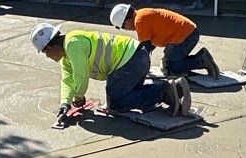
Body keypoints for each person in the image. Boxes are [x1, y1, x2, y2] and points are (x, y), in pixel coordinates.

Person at [30, 21, 191, 123]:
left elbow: (80, 77)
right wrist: (65, 102)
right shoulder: (66, 55)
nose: (48, 57)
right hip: (138, 56)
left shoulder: (73, 45)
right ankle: (172, 88)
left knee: (116, 104)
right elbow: (67, 80)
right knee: (129, 93)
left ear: (49, 47)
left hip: (130, 62)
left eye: (46, 53)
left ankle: (165, 92)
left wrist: (78, 98)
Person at [110, 3, 221, 78]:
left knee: (170, 69)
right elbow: (149, 46)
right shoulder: (141, 15)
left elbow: (145, 49)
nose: (126, 30)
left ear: (126, 20)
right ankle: (200, 58)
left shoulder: (140, 20)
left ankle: (201, 60)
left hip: (186, 35)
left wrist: (139, 69)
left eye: (123, 27)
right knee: (167, 64)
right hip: (187, 33)